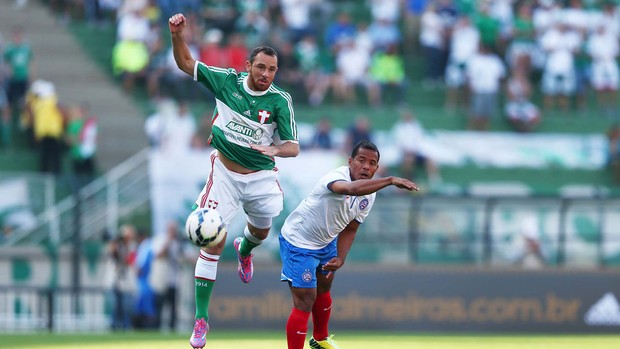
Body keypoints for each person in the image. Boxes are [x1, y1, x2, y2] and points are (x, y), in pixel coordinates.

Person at [168, 13, 300, 349]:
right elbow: (185, 63)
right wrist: (177, 35)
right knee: (210, 240)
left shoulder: (279, 101)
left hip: (259, 177)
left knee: (261, 230)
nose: (266, 75)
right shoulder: (226, 81)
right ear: (248, 65)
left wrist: (274, 148)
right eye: (261, 68)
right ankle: (201, 319)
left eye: (271, 70)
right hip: (225, 173)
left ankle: (246, 249)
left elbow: (293, 147)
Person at [279, 141, 418, 349]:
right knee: (306, 299)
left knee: (324, 288)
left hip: (326, 242)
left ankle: (320, 339)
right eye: (361, 160)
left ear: (376, 168)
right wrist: (389, 180)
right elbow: (351, 189)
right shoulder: (336, 177)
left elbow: (351, 228)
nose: (366, 167)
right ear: (350, 161)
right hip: (299, 242)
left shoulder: (370, 194)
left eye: (372, 163)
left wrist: (341, 257)